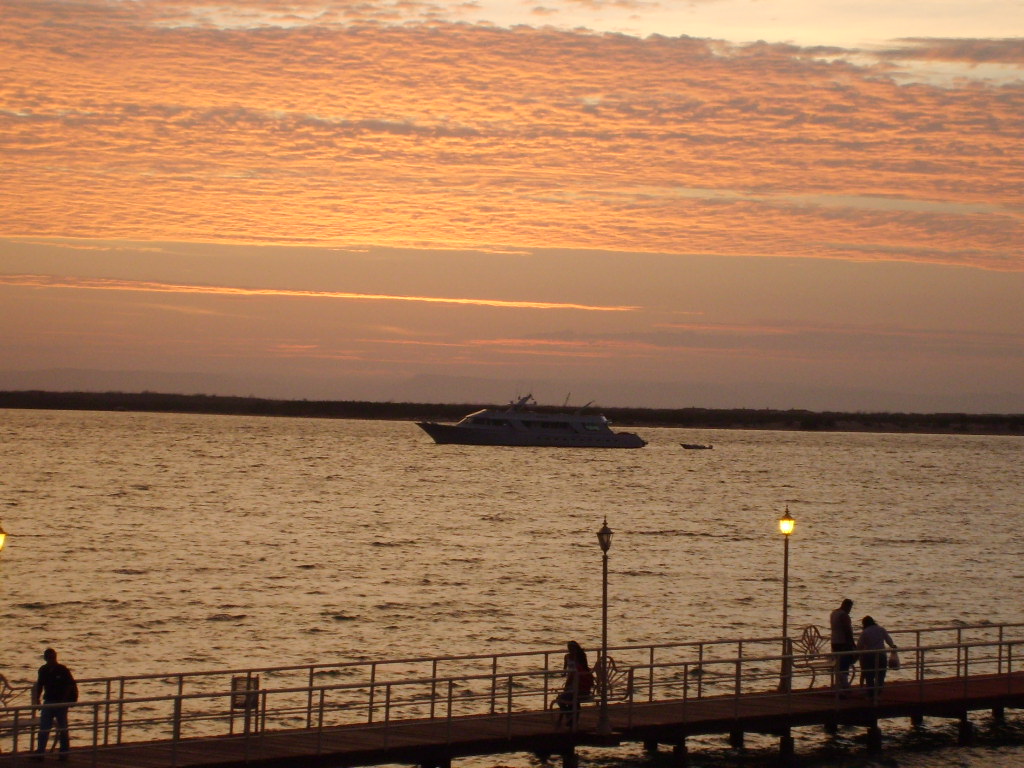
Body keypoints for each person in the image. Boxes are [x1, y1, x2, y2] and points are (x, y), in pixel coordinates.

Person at [31, 648, 77, 760]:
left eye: (54, 657)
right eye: (50, 658)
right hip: (49, 701)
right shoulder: (43, 670)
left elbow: (69, 685)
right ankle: (40, 752)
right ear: (46, 658)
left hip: (60, 703)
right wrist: (37, 699)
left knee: (62, 728)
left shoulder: (62, 669)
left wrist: (64, 700)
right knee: (44, 728)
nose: (52, 660)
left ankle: (64, 752)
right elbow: (40, 685)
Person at [857, 616, 897, 699]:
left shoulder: (865, 632)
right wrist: (892, 646)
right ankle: (878, 692)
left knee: (869, 675)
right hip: (881, 655)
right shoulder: (881, 629)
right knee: (881, 674)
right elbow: (889, 640)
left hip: (869, 656)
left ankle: (871, 694)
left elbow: (859, 645)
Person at [555, 641, 593, 726]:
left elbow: (582, 670)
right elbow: (565, 670)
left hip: (578, 684)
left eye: (572, 648)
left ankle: (570, 718)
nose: (570, 650)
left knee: (564, 699)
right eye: (569, 648)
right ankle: (571, 717)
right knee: (567, 699)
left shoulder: (580, 659)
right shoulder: (567, 657)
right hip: (572, 682)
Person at [829, 598, 856, 689]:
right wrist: (852, 643)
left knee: (838, 664)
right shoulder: (844, 616)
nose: (850, 610)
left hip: (834, 641)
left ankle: (839, 684)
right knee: (845, 664)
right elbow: (847, 631)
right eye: (850, 608)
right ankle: (844, 685)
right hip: (843, 643)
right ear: (846, 606)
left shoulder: (833, 613)